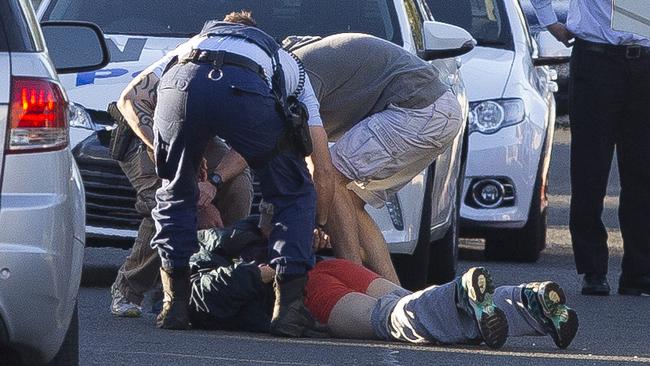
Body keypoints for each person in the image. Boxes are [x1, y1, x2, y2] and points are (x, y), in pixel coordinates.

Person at [148, 11, 333, 334]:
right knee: (292, 192)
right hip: (243, 87)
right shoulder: (285, 61)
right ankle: (288, 311)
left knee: (176, 191)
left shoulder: (190, 44)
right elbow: (321, 163)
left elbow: (147, 97)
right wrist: (317, 223)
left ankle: (174, 305)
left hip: (178, 84)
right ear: (255, 33)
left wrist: (189, 158)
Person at [188, 212, 579, 349]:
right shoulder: (199, 250)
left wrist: (307, 237)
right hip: (308, 280)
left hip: (313, 282)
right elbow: (204, 298)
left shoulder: (235, 232)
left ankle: (462, 295)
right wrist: (264, 270)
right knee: (405, 303)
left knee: (388, 316)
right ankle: (525, 303)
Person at [284, 34, 463, 285]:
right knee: (349, 200)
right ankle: (394, 297)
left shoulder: (294, 76)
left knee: (333, 178)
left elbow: (321, 173)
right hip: (436, 110)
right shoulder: (299, 62)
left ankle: (354, 286)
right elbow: (300, 161)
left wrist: (319, 221)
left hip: (418, 109)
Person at [109, 55, 253, 317]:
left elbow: (248, 144)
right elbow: (129, 100)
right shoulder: (187, 58)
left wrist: (214, 183)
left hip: (199, 138)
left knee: (239, 187)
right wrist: (194, 192)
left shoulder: (252, 77)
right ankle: (129, 289)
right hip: (149, 136)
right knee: (169, 199)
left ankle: (217, 276)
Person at [530, 1, 650, 296]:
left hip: (645, 64)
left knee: (642, 172)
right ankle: (593, 268)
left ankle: (639, 270)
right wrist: (550, 22)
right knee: (589, 169)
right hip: (597, 60)